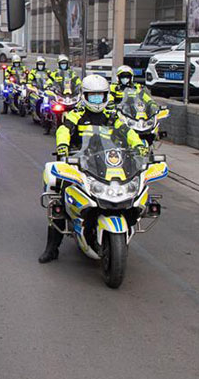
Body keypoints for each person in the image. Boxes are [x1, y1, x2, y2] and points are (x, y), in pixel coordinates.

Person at [38, 75, 148, 264]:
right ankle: (52, 248)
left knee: (130, 187)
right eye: (92, 96)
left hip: (108, 163)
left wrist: (139, 146)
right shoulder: (77, 114)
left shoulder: (112, 117)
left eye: (100, 96)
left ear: (105, 96)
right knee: (59, 199)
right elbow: (63, 130)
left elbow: (128, 133)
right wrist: (63, 146)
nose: (96, 100)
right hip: (79, 162)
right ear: (85, 96)